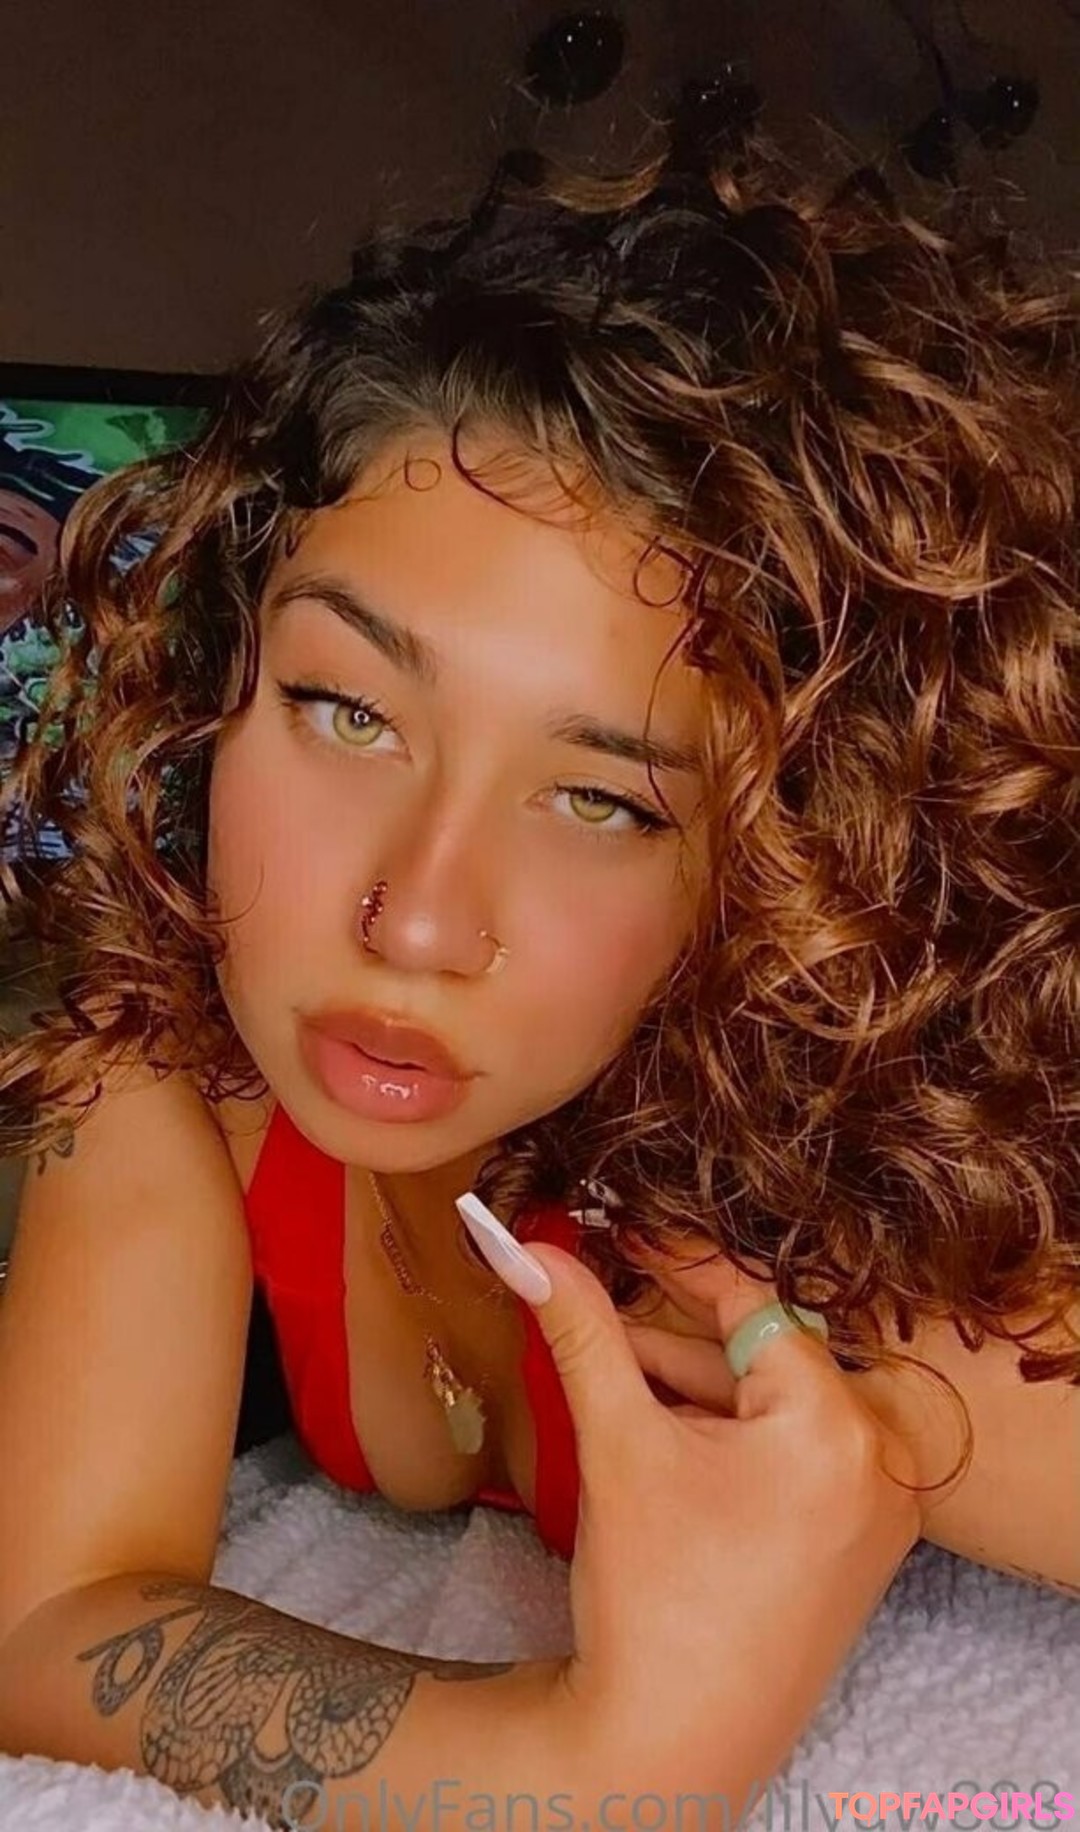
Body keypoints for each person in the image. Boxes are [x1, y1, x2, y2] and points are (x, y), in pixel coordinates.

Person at [0, 128, 1076, 1822]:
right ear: (219, 677)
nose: (417, 924)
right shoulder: (159, 1050)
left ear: (786, 859)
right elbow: (46, 1621)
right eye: (347, 711)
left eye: (602, 801)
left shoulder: (842, 1229)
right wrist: (597, 1764)